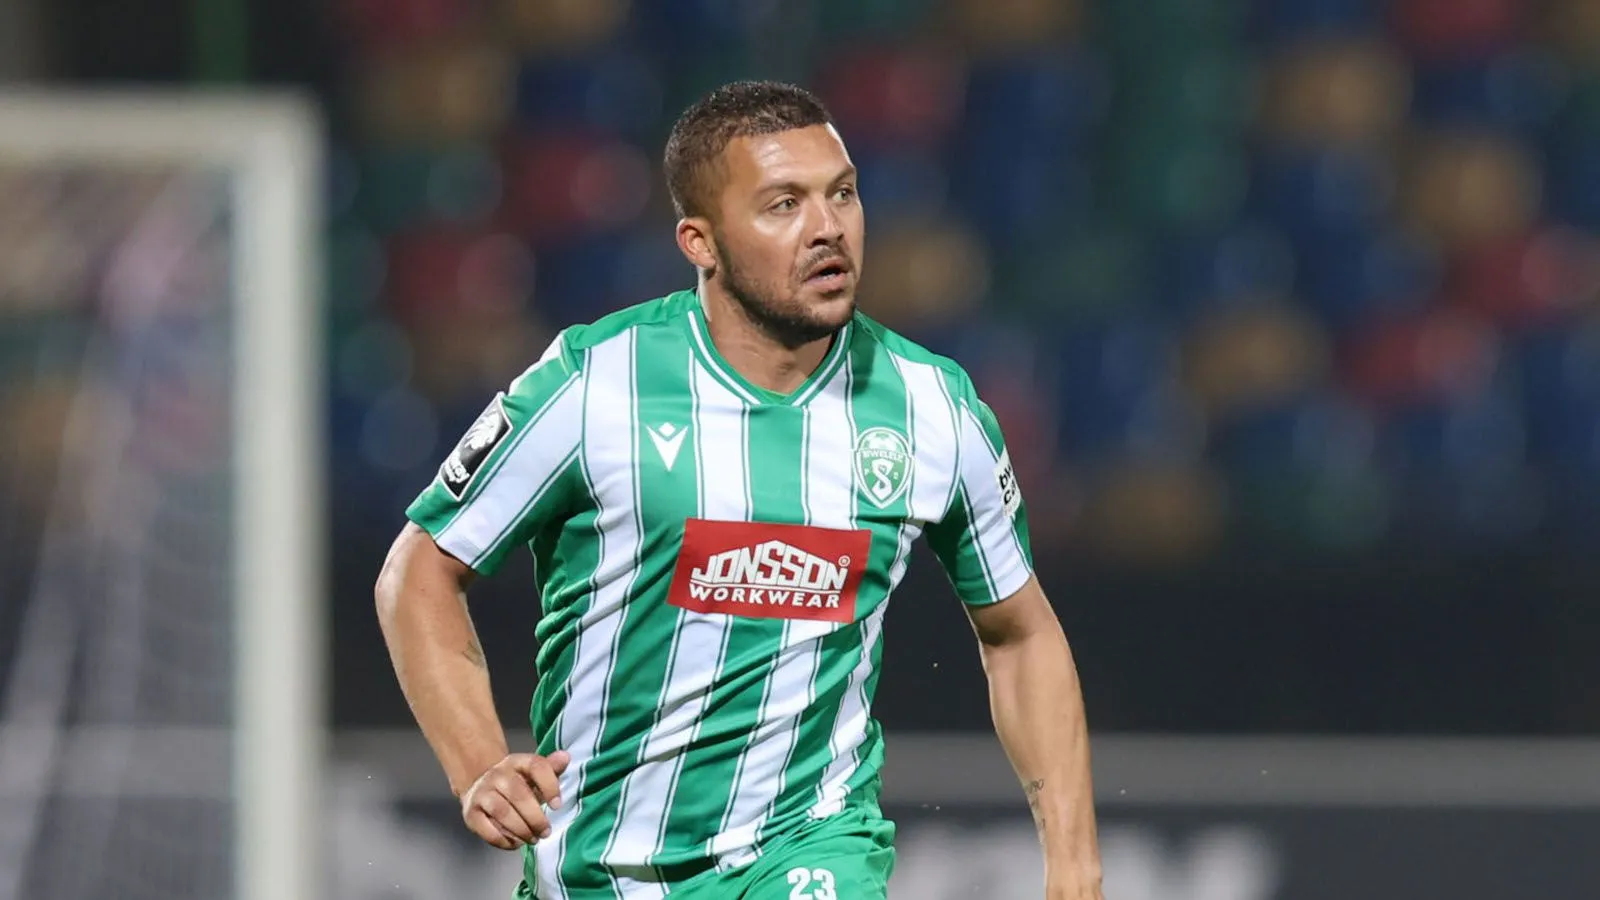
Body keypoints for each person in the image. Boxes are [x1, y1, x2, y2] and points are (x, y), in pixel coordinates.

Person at [376, 80, 1103, 900]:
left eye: (842, 194)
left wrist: (1074, 866)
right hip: (597, 872)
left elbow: (1019, 632)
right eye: (783, 204)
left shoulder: (933, 408)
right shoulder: (594, 384)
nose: (828, 227)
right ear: (701, 242)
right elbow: (419, 571)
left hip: (811, 847)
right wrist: (478, 764)